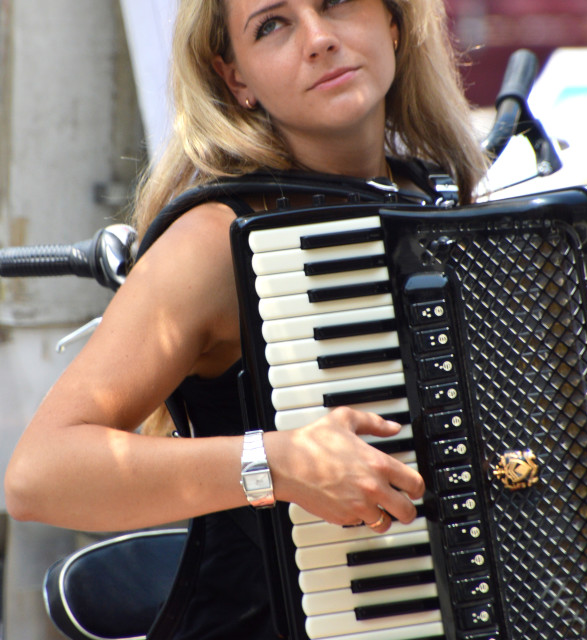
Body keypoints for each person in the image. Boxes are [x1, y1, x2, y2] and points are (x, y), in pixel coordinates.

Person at [5, 0, 487, 638]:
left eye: (336, 3)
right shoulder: (215, 243)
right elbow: (40, 475)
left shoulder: (440, 204)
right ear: (238, 80)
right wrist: (280, 464)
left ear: (393, 22)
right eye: (272, 25)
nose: (317, 39)